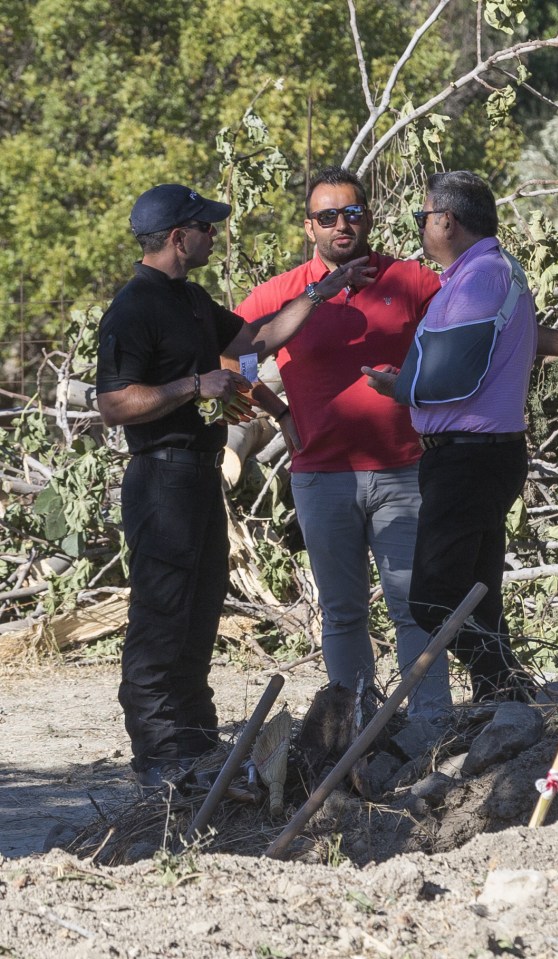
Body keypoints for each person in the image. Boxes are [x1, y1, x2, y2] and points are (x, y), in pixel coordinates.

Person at [236, 166, 558, 717]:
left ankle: (428, 728)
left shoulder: (409, 280)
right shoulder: (285, 292)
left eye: (352, 213)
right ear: (309, 227)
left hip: (403, 470)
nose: (341, 225)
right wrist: (278, 411)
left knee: (418, 606)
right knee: (342, 613)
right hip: (321, 473)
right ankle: (357, 728)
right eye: (327, 216)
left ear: (369, 218)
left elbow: (487, 329)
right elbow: (231, 353)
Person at [95, 183, 375, 790]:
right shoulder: (134, 308)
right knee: (162, 611)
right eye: (205, 227)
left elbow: (258, 342)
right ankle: (157, 752)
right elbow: (115, 403)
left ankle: (194, 741)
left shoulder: (191, 299)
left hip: (197, 475)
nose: (214, 235)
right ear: (177, 237)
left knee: (200, 606)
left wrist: (320, 293)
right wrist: (193, 387)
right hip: (159, 476)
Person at [363, 170, 558, 702]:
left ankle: (507, 687)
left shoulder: (479, 278)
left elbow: (452, 376)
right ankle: (502, 708)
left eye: (423, 217)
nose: (420, 226)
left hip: (469, 460)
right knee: (477, 597)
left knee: (432, 598)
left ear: (446, 220)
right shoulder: (487, 272)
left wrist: (400, 389)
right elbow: (506, 337)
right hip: (482, 456)